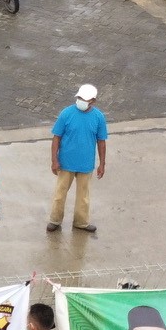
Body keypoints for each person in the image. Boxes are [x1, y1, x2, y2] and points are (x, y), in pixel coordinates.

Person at [48, 83, 107, 236]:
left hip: (86, 164)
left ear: (93, 100)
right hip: (65, 162)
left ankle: (81, 222)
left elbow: (101, 142)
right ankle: (55, 220)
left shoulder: (98, 117)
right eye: (80, 97)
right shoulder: (66, 114)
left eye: (84, 98)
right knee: (60, 193)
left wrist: (102, 164)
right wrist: (54, 160)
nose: (81, 100)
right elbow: (56, 138)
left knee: (83, 196)